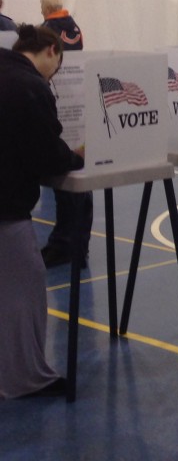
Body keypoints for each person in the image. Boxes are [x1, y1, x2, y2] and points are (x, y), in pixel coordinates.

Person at [0, 24, 81, 398]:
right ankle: (25, 379)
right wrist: (75, 156)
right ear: (51, 50)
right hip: (5, 210)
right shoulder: (30, 87)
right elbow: (47, 155)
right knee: (25, 291)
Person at [38, 0, 89, 269]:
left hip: (63, 98)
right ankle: (78, 243)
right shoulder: (75, 26)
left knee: (67, 179)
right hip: (77, 98)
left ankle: (66, 244)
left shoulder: (49, 30)